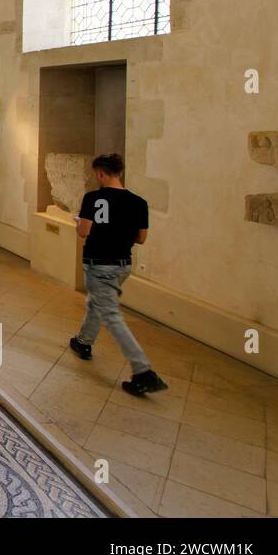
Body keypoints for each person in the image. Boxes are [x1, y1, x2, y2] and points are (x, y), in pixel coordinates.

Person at [69, 153, 167, 396]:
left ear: (100, 173)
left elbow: (84, 231)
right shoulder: (139, 202)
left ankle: (143, 371)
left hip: (99, 262)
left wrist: (80, 221)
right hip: (122, 264)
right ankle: (83, 341)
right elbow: (141, 238)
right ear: (119, 173)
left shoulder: (93, 198)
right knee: (98, 303)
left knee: (110, 314)